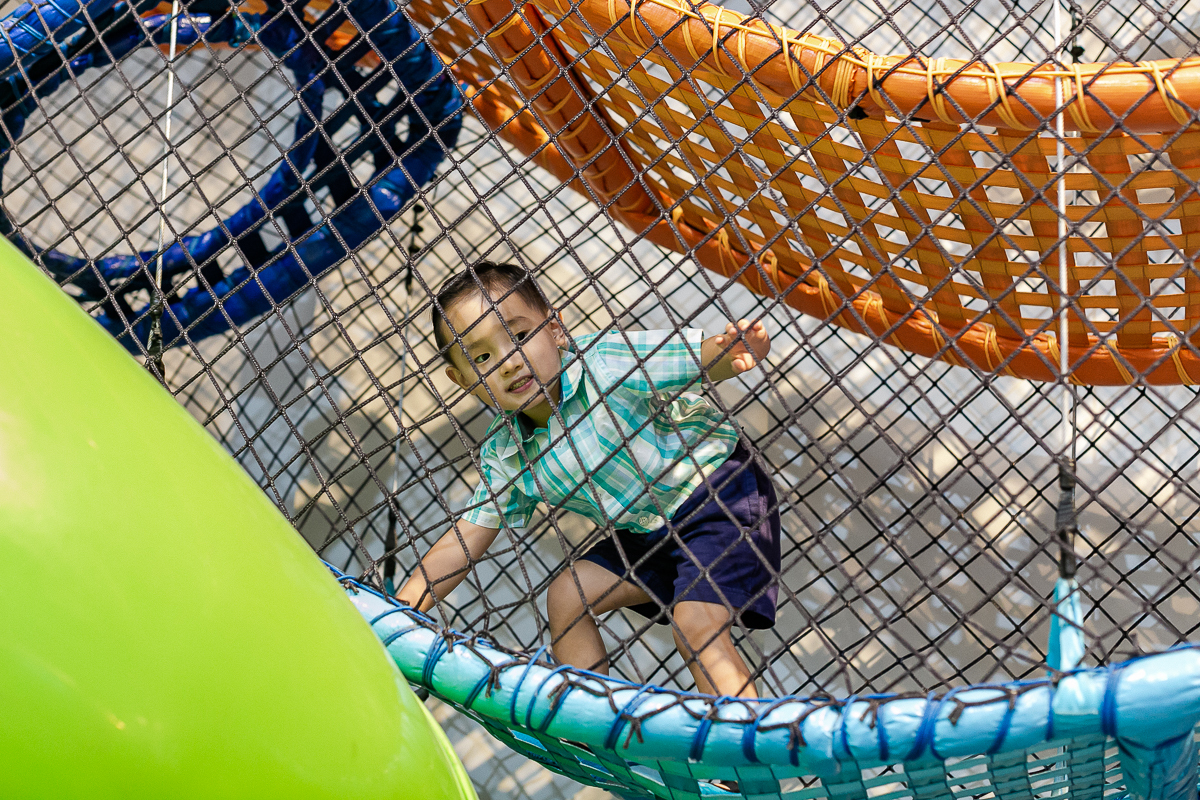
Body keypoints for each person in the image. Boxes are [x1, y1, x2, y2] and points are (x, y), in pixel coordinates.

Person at [396, 261, 780, 699]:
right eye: (482, 358)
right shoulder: (506, 453)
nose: (508, 363)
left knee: (695, 625)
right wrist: (404, 611)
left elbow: (686, 360)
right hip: (646, 531)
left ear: (556, 329)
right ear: (463, 381)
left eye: (519, 336)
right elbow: (463, 540)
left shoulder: (603, 361)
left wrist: (727, 352)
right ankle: (598, 717)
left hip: (716, 493)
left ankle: (743, 754)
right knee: (567, 595)